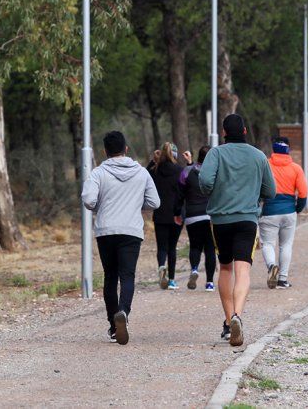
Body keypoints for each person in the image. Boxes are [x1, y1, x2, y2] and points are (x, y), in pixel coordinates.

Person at [199, 114, 276, 346]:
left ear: (224, 133)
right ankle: (237, 317)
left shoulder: (216, 153)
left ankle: (227, 320)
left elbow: (204, 181)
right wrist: (253, 195)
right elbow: (270, 190)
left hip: (220, 220)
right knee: (243, 270)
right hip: (247, 220)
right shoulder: (258, 156)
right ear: (244, 131)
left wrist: (215, 193)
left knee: (225, 268)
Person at [81, 131, 160, 345]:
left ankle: (113, 325)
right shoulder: (142, 173)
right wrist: (136, 205)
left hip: (106, 230)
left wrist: (100, 206)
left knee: (110, 277)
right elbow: (155, 202)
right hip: (131, 231)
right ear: (126, 148)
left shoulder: (98, 173)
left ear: (105, 151)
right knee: (127, 276)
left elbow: (88, 199)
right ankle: (123, 312)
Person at [259, 137, 308, 289]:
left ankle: (272, 265)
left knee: (267, 243)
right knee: (286, 245)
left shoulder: (265, 165)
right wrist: (297, 208)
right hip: (289, 211)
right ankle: (282, 279)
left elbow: (257, 186)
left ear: (273, 150)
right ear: (288, 150)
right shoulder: (296, 168)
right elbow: (303, 193)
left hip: (269, 210)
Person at [174, 145, 216, 291]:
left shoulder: (187, 172)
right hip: (210, 215)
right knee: (210, 248)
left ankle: (194, 270)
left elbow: (179, 195)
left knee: (195, 245)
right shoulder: (214, 173)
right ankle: (210, 282)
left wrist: (177, 212)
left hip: (192, 216)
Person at [148, 142, 184, 290]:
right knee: (172, 247)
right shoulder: (180, 170)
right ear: (175, 155)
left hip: (159, 213)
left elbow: (144, 174)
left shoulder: (155, 170)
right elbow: (183, 191)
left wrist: (153, 160)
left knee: (162, 246)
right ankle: (172, 280)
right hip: (176, 214)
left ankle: (162, 266)